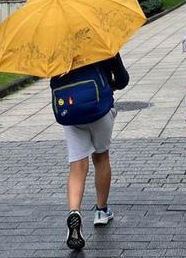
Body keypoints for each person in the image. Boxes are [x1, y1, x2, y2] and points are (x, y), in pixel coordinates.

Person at [54, 53, 129, 250]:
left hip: (71, 111)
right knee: (101, 157)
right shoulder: (101, 42)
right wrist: (110, 84)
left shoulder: (57, 47)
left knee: (77, 166)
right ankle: (101, 212)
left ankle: (74, 212)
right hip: (100, 107)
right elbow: (123, 79)